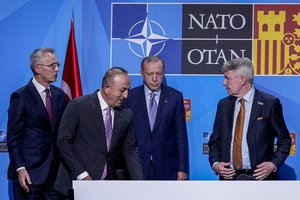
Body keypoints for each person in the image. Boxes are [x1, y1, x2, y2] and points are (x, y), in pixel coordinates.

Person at [54, 67, 143, 197]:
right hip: (73, 185)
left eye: (128, 90)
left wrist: (140, 184)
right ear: (107, 88)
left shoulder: (126, 114)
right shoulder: (78, 106)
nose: (126, 95)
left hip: (105, 188)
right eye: (122, 90)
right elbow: (63, 142)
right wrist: (82, 176)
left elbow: (130, 149)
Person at [208, 57, 291, 180]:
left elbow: (284, 141)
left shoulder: (270, 103)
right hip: (229, 179)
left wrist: (273, 164)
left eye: (227, 78)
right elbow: (215, 141)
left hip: (260, 179)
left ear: (242, 79)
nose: (224, 82)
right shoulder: (223, 105)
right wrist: (215, 164)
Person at [7, 48, 67, 199]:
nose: (57, 69)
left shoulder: (59, 95)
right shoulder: (21, 96)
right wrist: (20, 168)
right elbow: (14, 136)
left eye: (57, 65)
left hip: (54, 177)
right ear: (37, 68)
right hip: (29, 175)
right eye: (52, 66)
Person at [125, 56, 189, 180]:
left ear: (163, 73)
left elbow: (181, 136)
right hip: (136, 167)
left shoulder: (175, 97)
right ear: (142, 74)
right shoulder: (130, 97)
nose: (154, 79)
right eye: (150, 74)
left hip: (167, 167)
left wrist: (182, 169)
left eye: (159, 74)